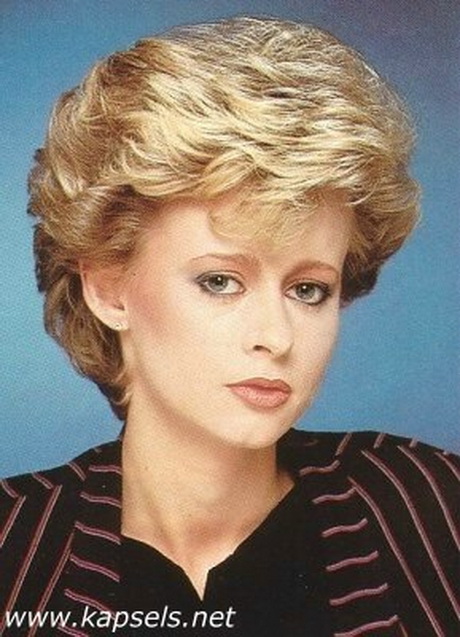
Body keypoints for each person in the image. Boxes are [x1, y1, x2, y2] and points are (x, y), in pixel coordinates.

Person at [0, 16, 458, 637]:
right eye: (220, 281)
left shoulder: (431, 505)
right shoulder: (14, 544)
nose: (277, 336)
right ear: (108, 288)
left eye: (308, 289)